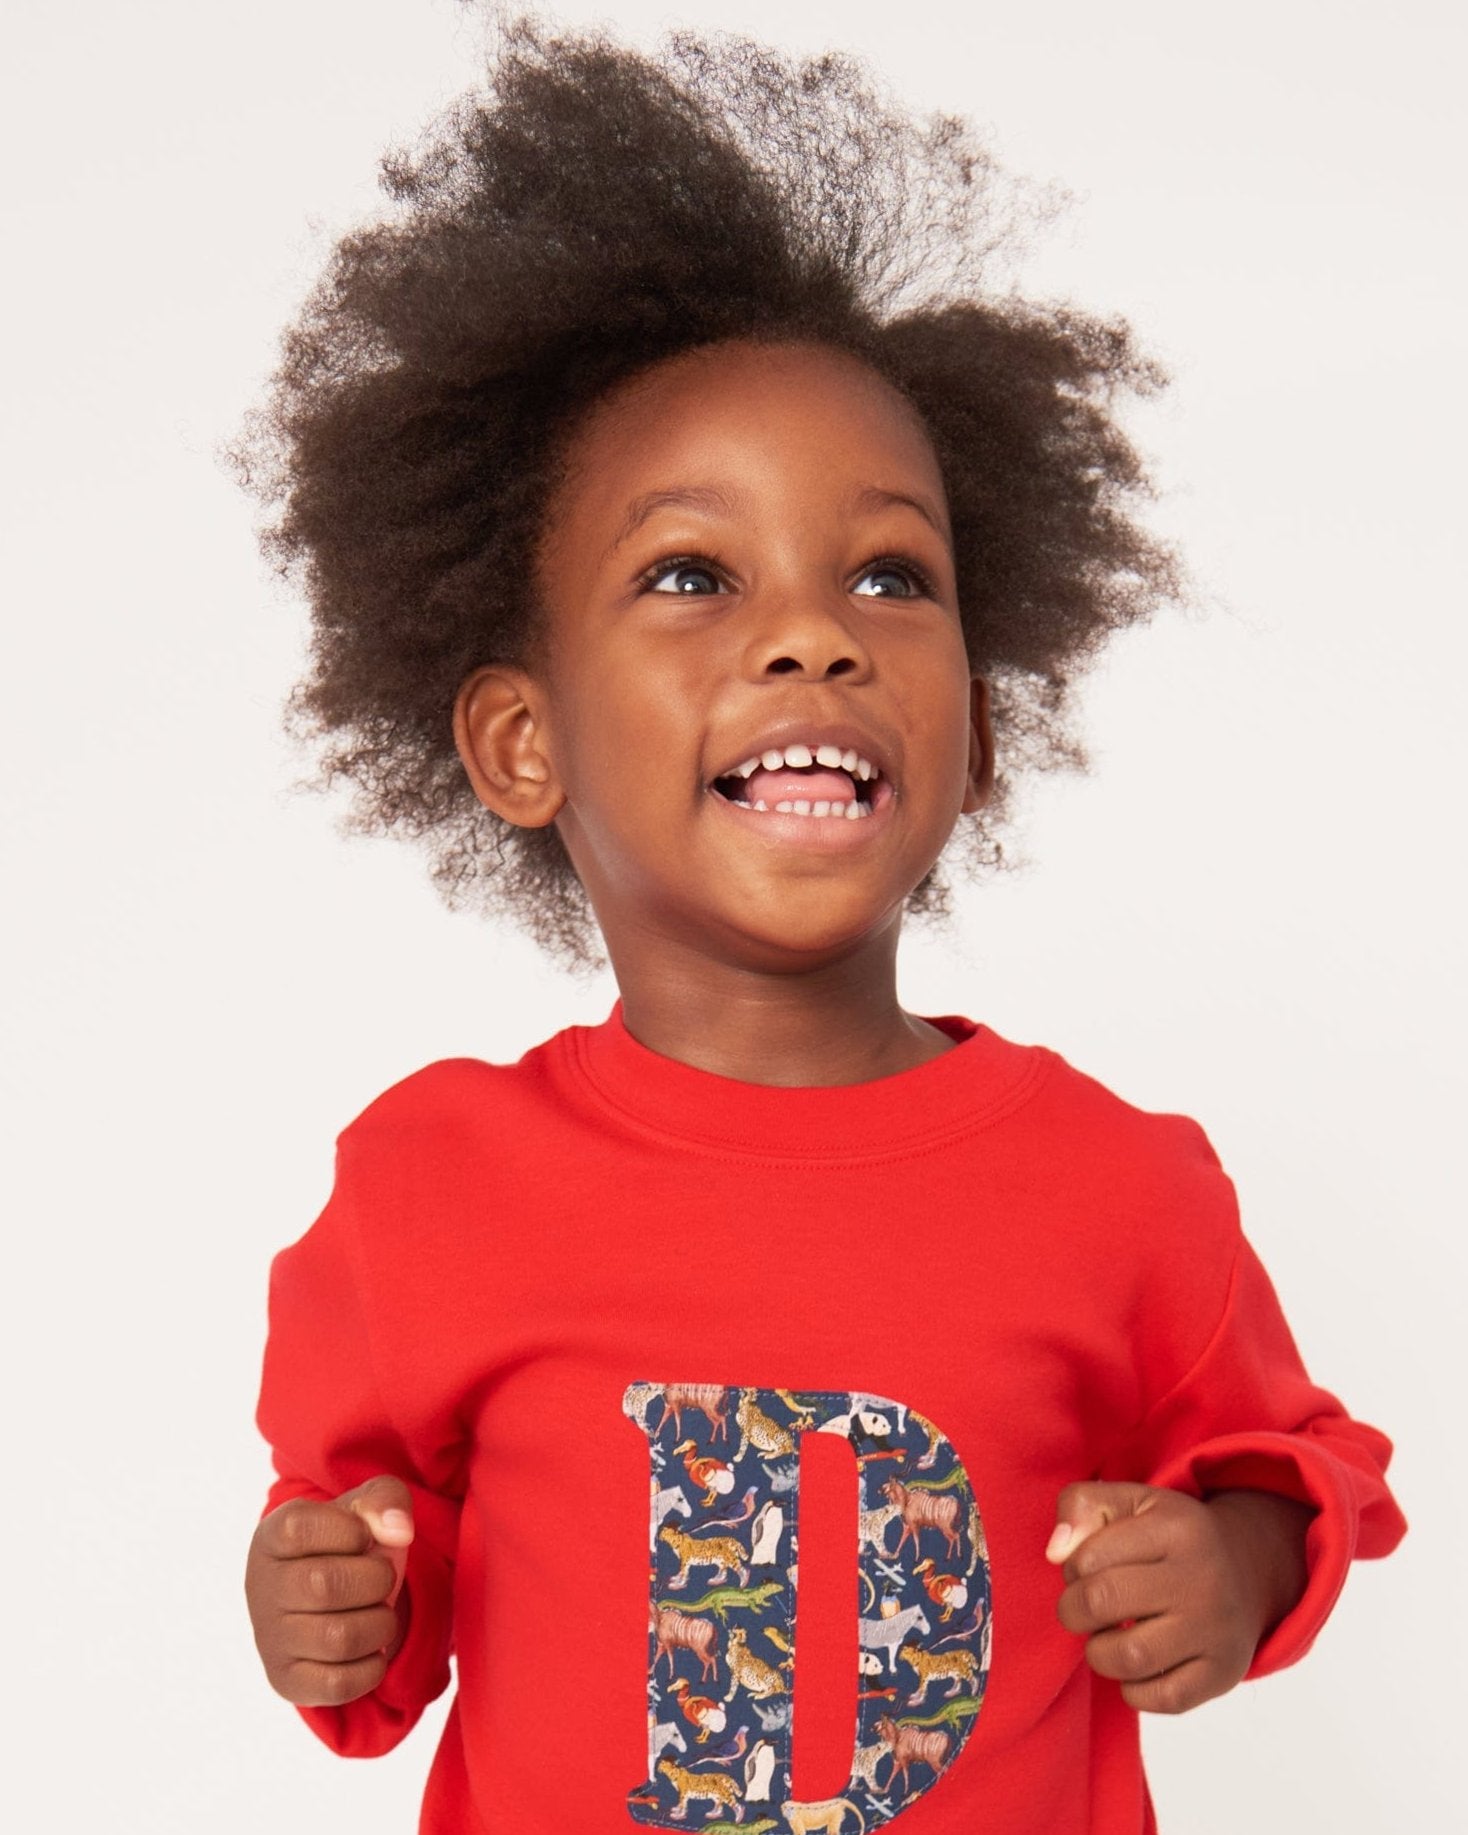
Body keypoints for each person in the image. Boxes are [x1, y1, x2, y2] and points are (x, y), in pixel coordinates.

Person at [239, 11, 1406, 1832]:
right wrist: (332, 1608)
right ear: (520, 740)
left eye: (889, 573)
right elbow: (388, 1573)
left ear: (978, 733)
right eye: (693, 574)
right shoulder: (426, 1189)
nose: (814, 636)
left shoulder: (1120, 1189)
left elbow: (1294, 1461)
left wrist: (1236, 1570)